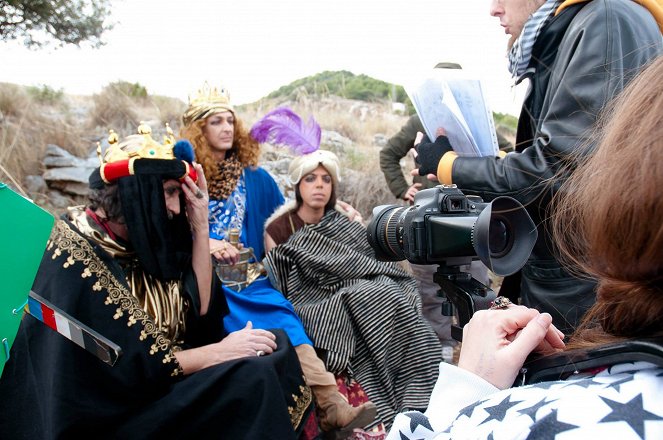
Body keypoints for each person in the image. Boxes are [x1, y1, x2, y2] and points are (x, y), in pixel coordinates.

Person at [387, 54, 663, 440]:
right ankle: (437, 356)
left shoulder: (534, 422)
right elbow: (390, 154)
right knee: (434, 309)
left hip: (477, 218)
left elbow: (523, 162)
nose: (495, 9)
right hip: (449, 216)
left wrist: (468, 389)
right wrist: (405, 190)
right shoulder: (416, 125)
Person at [0, 124, 313, 439]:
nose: (177, 208)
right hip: (117, 411)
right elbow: (125, 366)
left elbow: (202, 312)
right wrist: (217, 353)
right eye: (169, 192)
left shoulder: (148, 240)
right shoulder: (75, 256)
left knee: (275, 344)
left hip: (165, 382)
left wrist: (201, 224)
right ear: (136, 192)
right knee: (253, 376)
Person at [414, 0, 663, 335]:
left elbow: (559, 172)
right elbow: (578, 156)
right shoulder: (582, 27)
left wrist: (449, 165)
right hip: (574, 283)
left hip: (581, 291)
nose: (494, 9)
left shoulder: (605, 19)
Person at [180, 87, 376, 437]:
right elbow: (166, 227)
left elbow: (286, 211)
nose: (226, 127)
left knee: (281, 313)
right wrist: (205, 241)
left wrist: (332, 209)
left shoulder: (254, 177)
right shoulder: (184, 178)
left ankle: (331, 404)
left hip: (246, 274)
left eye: (230, 120)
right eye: (215, 121)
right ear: (198, 129)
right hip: (199, 273)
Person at [263, 148, 445, 433]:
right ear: (299, 184)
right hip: (318, 296)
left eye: (326, 179)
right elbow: (284, 279)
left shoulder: (341, 218)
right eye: (311, 179)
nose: (319, 185)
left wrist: (358, 227)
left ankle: (417, 386)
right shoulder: (278, 228)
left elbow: (364, 258)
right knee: (368, 296)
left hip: (366, 280)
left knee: (392, 293)